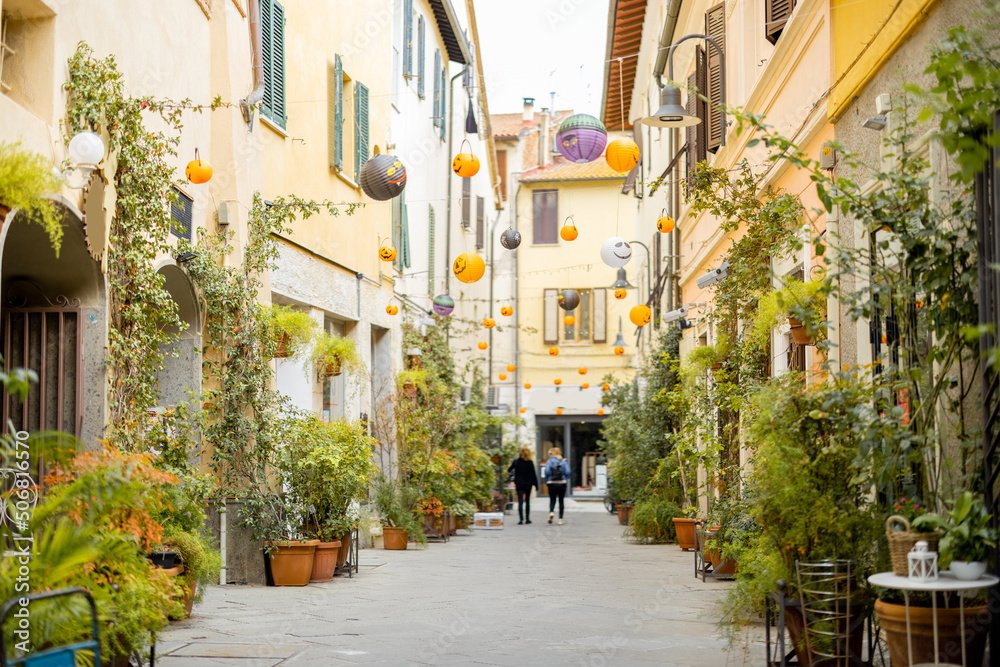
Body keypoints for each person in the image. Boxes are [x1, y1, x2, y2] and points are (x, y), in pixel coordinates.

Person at [507, 447, 539, 524]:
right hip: (528, 484)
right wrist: (536, 486)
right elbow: (533, 475)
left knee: (520, 502)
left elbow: (509, 469)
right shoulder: (530, 462)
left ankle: (521, 520)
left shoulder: (516, 462)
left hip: (519, 484)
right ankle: (527, 519)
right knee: (527, 501)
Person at [543, 447, 571, 525]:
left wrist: (548, 478)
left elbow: (547, 471)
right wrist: (564, 477)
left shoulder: (549, 461)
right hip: (562, 483)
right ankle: (560, 519)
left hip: (552, 483)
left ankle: (551, 512)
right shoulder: (562, 461)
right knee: (561, 501)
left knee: (552, 500)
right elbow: (568, 471)